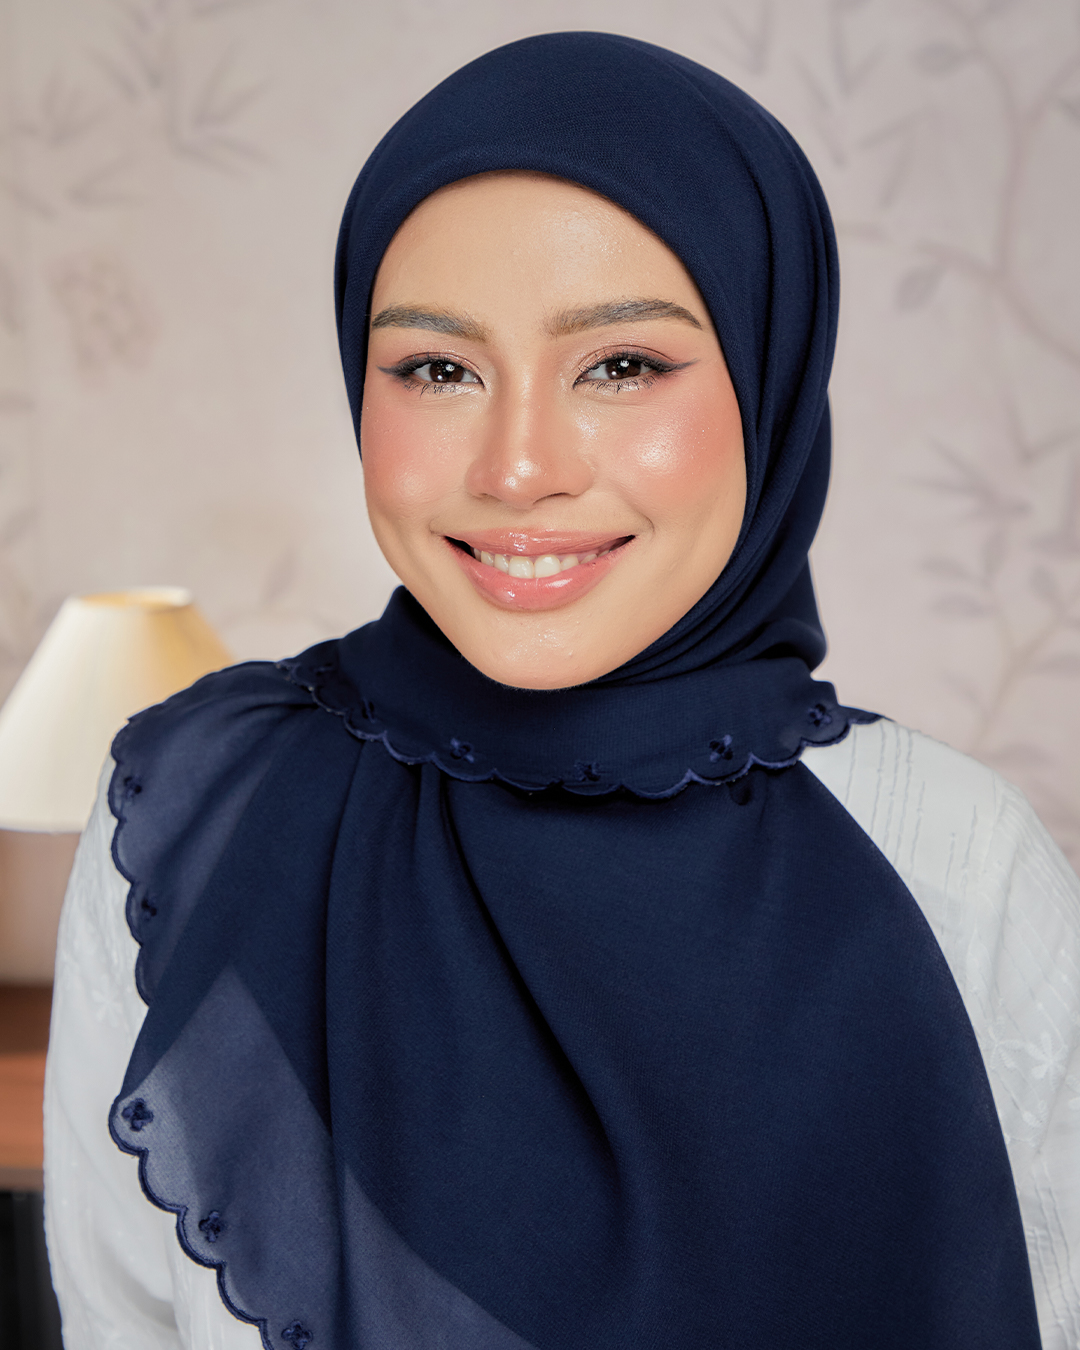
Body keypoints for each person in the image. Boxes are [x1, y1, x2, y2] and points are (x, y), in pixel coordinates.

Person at [43, 31, 1080, 1350]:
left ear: (769, 380)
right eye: (437, 369)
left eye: (621, 365)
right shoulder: (195, 817)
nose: (519, 467)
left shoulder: (959, 862)